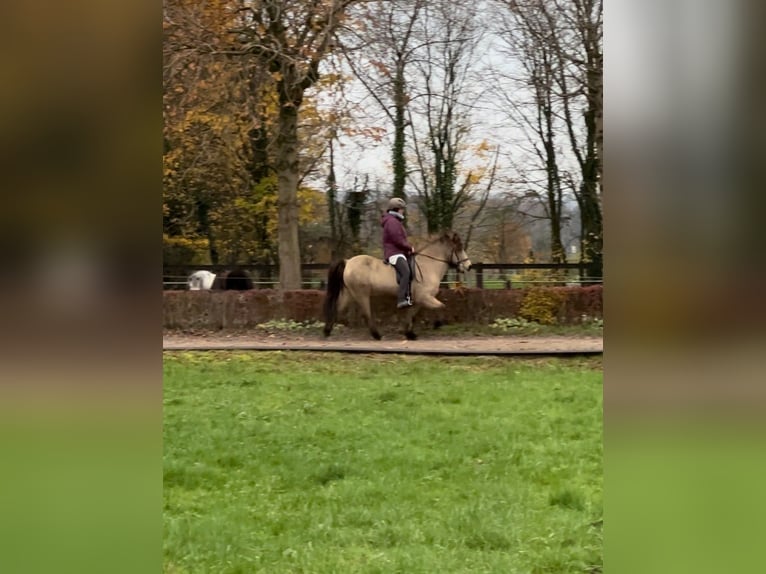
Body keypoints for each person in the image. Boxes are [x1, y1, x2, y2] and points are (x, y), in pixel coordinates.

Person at [381, 197, 415, 308]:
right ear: (396, 209)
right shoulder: (392, 222)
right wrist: (409, 248)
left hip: (399, 251)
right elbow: (397, 240)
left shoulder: (394, 221)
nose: (403, 211)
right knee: (405, 272)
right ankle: (401, 299)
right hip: (394, 252)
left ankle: (409, 295)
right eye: (402, 209)